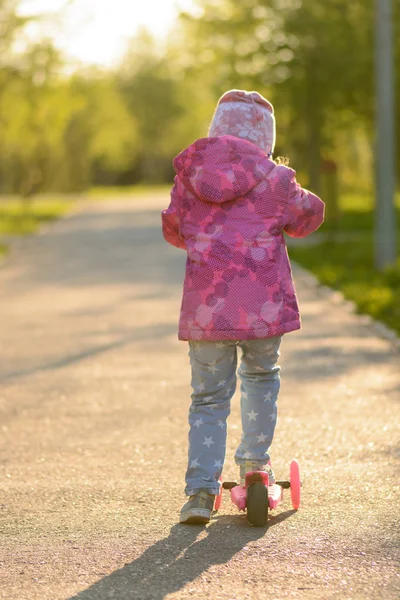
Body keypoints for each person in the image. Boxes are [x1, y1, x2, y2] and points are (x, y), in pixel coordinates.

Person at [161, 89, 325, 524]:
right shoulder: (276, 179)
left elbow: (174, 227)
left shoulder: (191, 175)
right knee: (260, 378)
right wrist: (289, 188)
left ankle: (200, 490)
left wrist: (201, 240)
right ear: (265, 138)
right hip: (262, 310)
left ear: (217, 129)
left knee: (208, 398)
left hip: (206, 311)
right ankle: (255, 467)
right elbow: (307, 217)